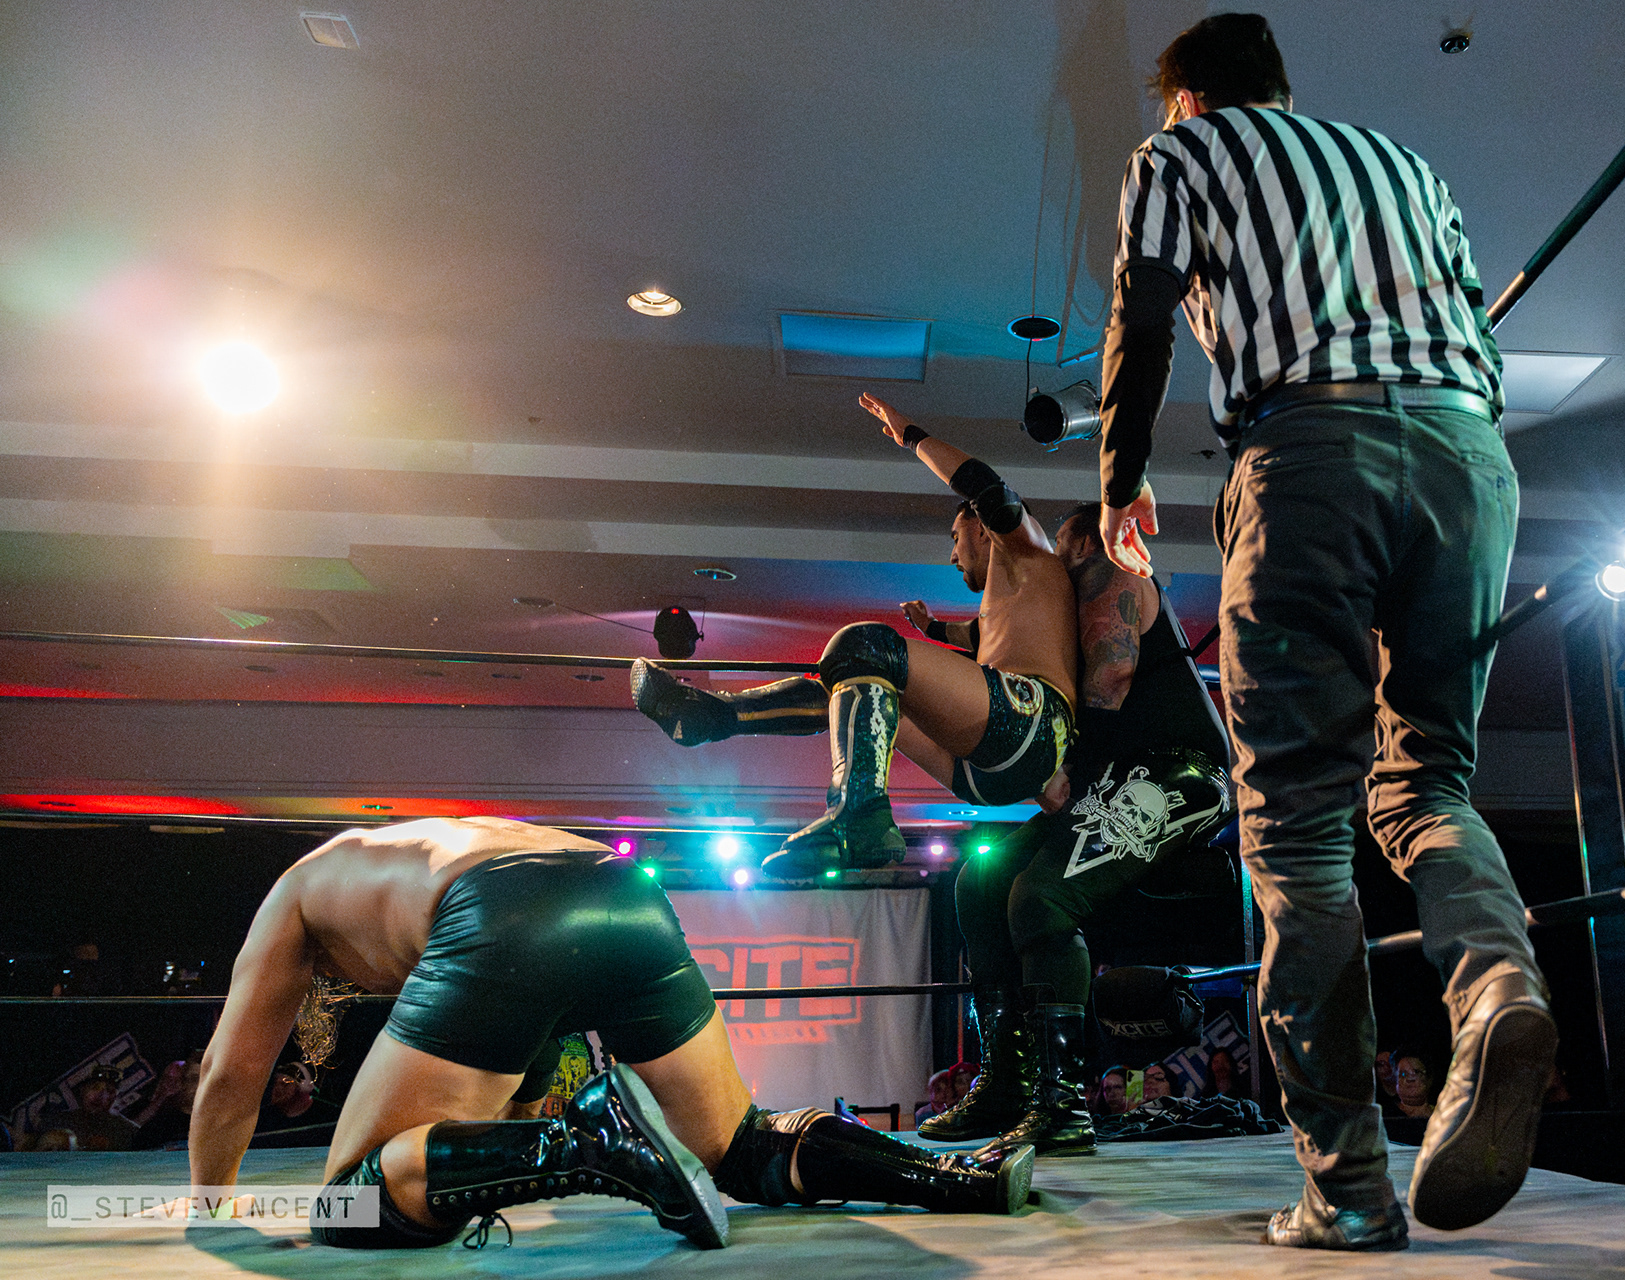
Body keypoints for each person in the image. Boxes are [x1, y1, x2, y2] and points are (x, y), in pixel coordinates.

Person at [1096, 12, 1556, 1251]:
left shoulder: (1179, 155)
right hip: (1469, 457)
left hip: (1310, 454)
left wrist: (1119, 477)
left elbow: (1143, 309)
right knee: (1429, 780)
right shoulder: (1405, 163)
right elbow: (1478, 333)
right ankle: (1499, 988)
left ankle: (1348, 1185)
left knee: (1297, 828)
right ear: (1284, 89)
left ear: (1187, 100)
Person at [187, 816, 1032, 1250]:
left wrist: (211, 1204)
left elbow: (229, 1072)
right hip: (620, 886)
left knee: (351, 1201)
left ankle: (590, 1142)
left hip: (500, 906)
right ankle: (960, 1178)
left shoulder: (296, 893)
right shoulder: (398, 859)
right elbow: (518, 1042)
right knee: (738, 1145)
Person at [631, 393, 1078, 881]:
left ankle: (857, 814)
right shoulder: (1018, 603)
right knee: (851, 690)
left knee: (866, 646)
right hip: (986, 768)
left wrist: (911, 436)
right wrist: (931, 628)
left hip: (1032, 728)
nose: (953, 555)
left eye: (956, 537)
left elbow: (986, 486)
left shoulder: (1030, 549)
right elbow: (976, 637)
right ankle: (713, 715)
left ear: (984, 527)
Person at [923, 504, 1232, 1158]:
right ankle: (1006, 1084)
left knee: (1042, 897)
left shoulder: (1111, 569)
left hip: (1182, 771)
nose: (1054, 561)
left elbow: (1112, 673)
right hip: (1114, 775)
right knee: (980, 882)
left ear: (1085, 544)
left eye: (1062, 548)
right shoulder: (1056, 604)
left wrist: (1068, 768)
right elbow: (995, 638)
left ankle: (1060, 1103)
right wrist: (937, 630)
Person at [29, 1065, 140, 1152]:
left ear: (114, 1098)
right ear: (82, 1090)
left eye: (109, 1091)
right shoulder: (55, 1122)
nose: (100, 1096)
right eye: (95, 1087)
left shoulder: (129, 1132)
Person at [1391, 1049, 1438, 1120]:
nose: (1410, 1079)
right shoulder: (1385, 1115)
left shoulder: (1443, 1115)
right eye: (1403, 1074)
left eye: (1417, 1072)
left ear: (1429, 1079)